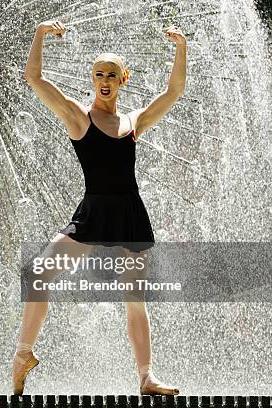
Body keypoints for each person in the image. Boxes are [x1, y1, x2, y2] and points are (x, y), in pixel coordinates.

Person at [13, 20, 187, 396]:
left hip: (129, 214)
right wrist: (40, 33)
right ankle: (23, 354)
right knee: (37, 274)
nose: (104, 80)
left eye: (111, 74)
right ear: (92, 80)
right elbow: (35, 78)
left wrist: (181, 47)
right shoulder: (79, 117)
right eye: (98, 74)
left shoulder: (132, 122)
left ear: (123, 79)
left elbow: (174, 92)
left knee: (135, 299)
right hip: (92, 213)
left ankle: (146, 377)